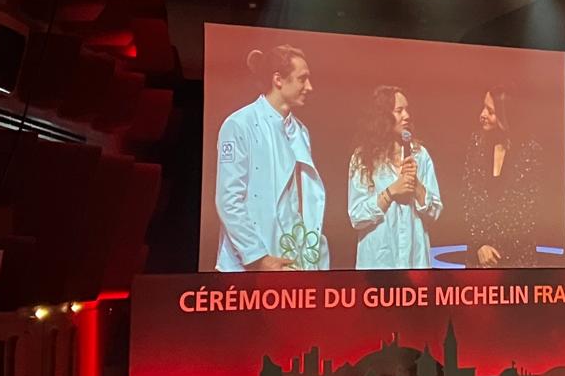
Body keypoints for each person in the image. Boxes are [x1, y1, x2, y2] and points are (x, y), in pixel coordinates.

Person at [215, 45, 328, 271]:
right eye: (302, 79)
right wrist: (259, 258)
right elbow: (228, 200)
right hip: (247, 265)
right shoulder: (239, 124)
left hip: (289, 261)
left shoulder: (300, 131)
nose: (309, 87)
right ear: (278, 79)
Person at [348, 85, 442, 269]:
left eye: (407, 110)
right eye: (399, 111)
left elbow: (435, 212)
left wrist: (416, 186)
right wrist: (391, 192)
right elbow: (357, 217)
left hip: (415, 263)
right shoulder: (362, 159)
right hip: (378, 265)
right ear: (383, 116)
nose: (407, 116)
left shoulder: (420, 155)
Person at [462, 87, 543, 268]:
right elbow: (470, 197)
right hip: (479, 254)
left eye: (490, 111)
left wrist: (496, 249)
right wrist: (481, 244)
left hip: (516, 256)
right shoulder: (477, 142)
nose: (482, 115)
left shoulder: (530, 150)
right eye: (483, 108)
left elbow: (526, 209)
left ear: (507, 117)